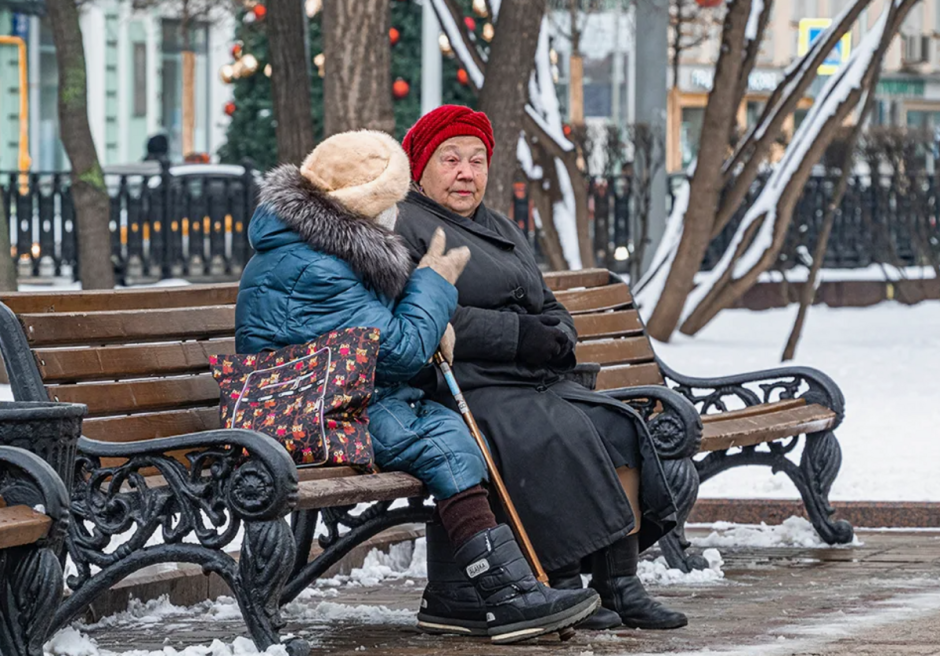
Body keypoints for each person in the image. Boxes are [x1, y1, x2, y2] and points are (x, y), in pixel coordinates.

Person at [234, 129, 599, 644]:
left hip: (344, 393)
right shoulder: (318, 265)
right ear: (360, 202)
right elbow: (400, 350)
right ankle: (504, 595)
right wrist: (434, 283)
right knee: (444, 443)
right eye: (389, 201)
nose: (396, 214)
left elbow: (381, 343)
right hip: (310, 407)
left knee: (454, 429)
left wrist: (435, 319)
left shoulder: (321, 246)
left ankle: (470, 594)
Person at [395, 106, 688, 633]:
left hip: (528, 377)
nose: (466, 172)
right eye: (451, 159)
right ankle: (563, 580)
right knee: (550, 433)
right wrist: (518, 336)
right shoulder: (405, 225)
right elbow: (427, 311)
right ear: (421, 166)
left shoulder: (500, 224)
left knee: (617, 424)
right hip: (465, 384)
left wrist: (558, 334)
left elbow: (544, 300)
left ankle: (619, 582)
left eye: (477, 160)